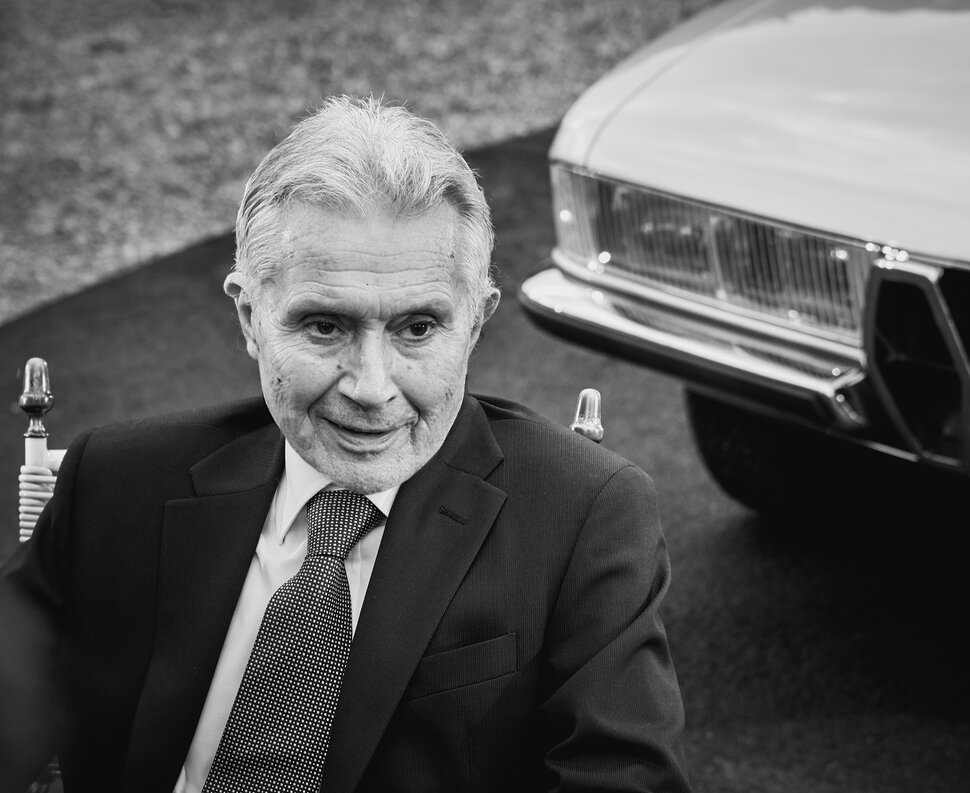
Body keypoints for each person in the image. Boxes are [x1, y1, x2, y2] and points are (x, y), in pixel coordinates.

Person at [0, 95, 691, 792]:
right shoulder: (118, 481)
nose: (371, 387)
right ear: (249, 316)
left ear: (476, 324)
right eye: (325, 326)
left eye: (417, 328)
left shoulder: (581, 517)